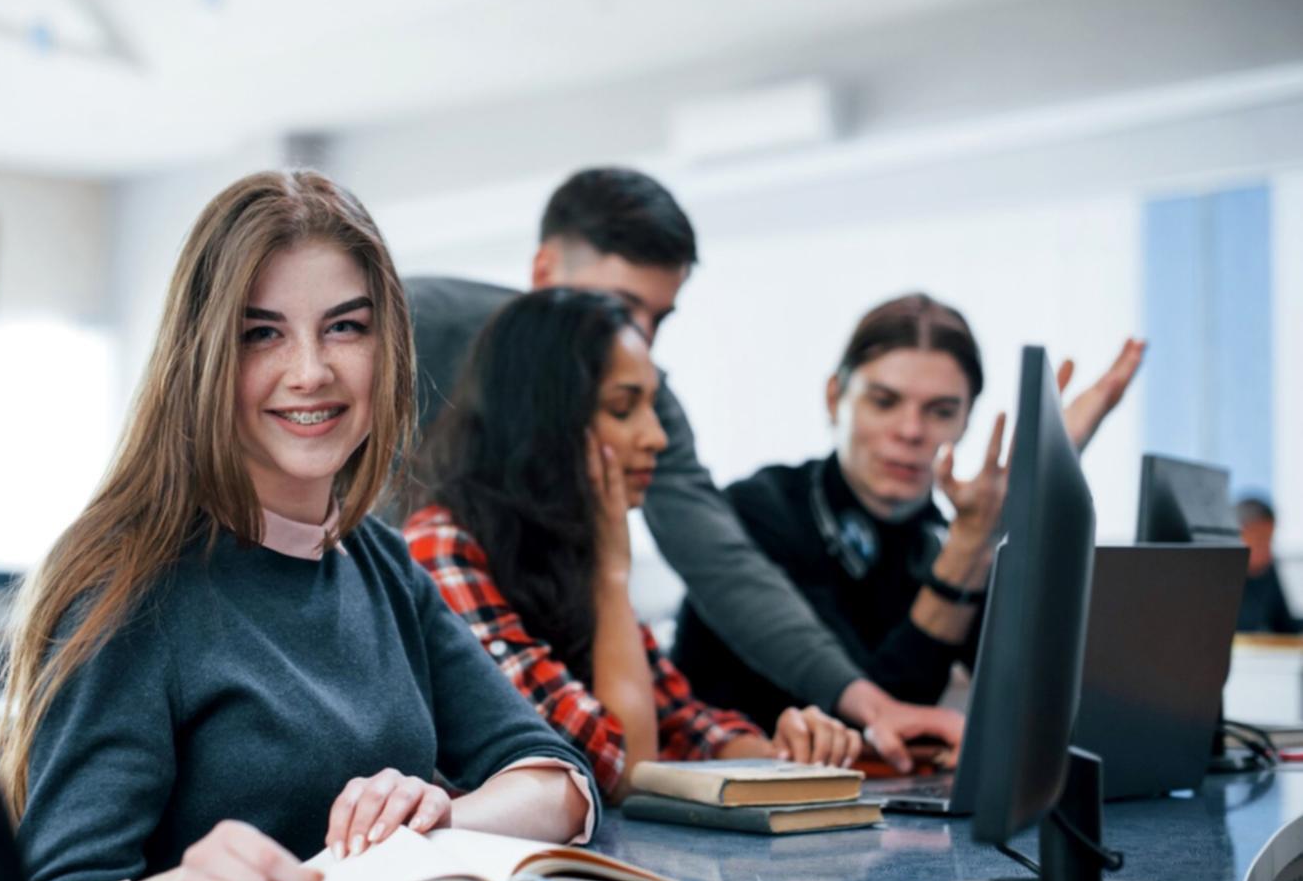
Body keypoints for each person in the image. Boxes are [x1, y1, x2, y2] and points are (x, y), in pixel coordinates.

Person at [0, 171, 596, 881]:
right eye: (261, 333)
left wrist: (438, 819)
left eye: (344, 328)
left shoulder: (378, 559)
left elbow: (556, 781)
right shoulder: (130, 585)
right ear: (202, 357)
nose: (310, 371)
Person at [407, 167, 957, 772]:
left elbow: (719, 568)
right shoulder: (414, 330)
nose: (639, 338)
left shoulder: (599, 500)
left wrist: (839, 722)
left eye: (659, 319)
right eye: (617, 306)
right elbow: (620, 758)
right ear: (545, 275)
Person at [404, 288, 861, 801]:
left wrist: (785, 754)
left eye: (651, 406)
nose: (657, 437)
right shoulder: (440, 549)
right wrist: (611, 576)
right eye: (623, 409)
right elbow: (620, 769)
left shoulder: (566, 542)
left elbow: (681, 724)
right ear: (543, 421)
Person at [671, 294, 1144, 733]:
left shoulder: (941, 532)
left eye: (941, 411)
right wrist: (966, 551)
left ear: (966, 420)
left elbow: (1043, 695)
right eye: (884, 401)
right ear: (835, 397)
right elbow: (874, 716)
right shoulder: (758, 510)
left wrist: (1049, 486)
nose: (912, 431)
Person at [1236, 496, 1300, 634]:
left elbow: (1284, 625)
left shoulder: (1268, 570)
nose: (1267, 550)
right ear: (1238, 536)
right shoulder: (1218, 577)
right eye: (1259, 541)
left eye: (1269, 541)